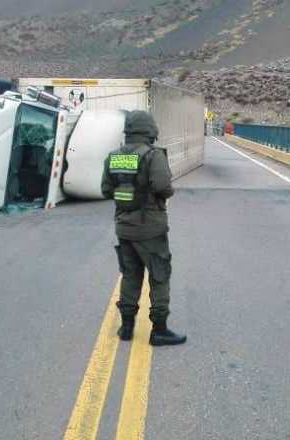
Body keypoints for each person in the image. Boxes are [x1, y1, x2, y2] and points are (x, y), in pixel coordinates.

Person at [101, 111, 186, 346]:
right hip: (150, 229)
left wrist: (127, 195)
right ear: (150, 130)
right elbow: (163, 186)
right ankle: (159, 330)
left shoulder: (114, 156)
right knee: (159, 276)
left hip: (124, 227)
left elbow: (106, 190)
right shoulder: (153, 155)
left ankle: (126, 327)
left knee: (130, 275)